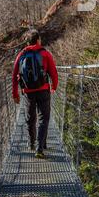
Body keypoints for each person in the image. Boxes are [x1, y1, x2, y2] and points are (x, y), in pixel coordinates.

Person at [12, 29, 58, 159]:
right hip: (43, 89)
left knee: (30, 118)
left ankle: (31, 142)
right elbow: (53, 72)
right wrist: (54, 86)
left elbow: (14, 75)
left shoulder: (21, 55)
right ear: (38, 40)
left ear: (27, 42)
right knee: (44, 118)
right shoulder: (45, 53)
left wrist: (15, 93)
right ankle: (40, 148)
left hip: (28, 92)